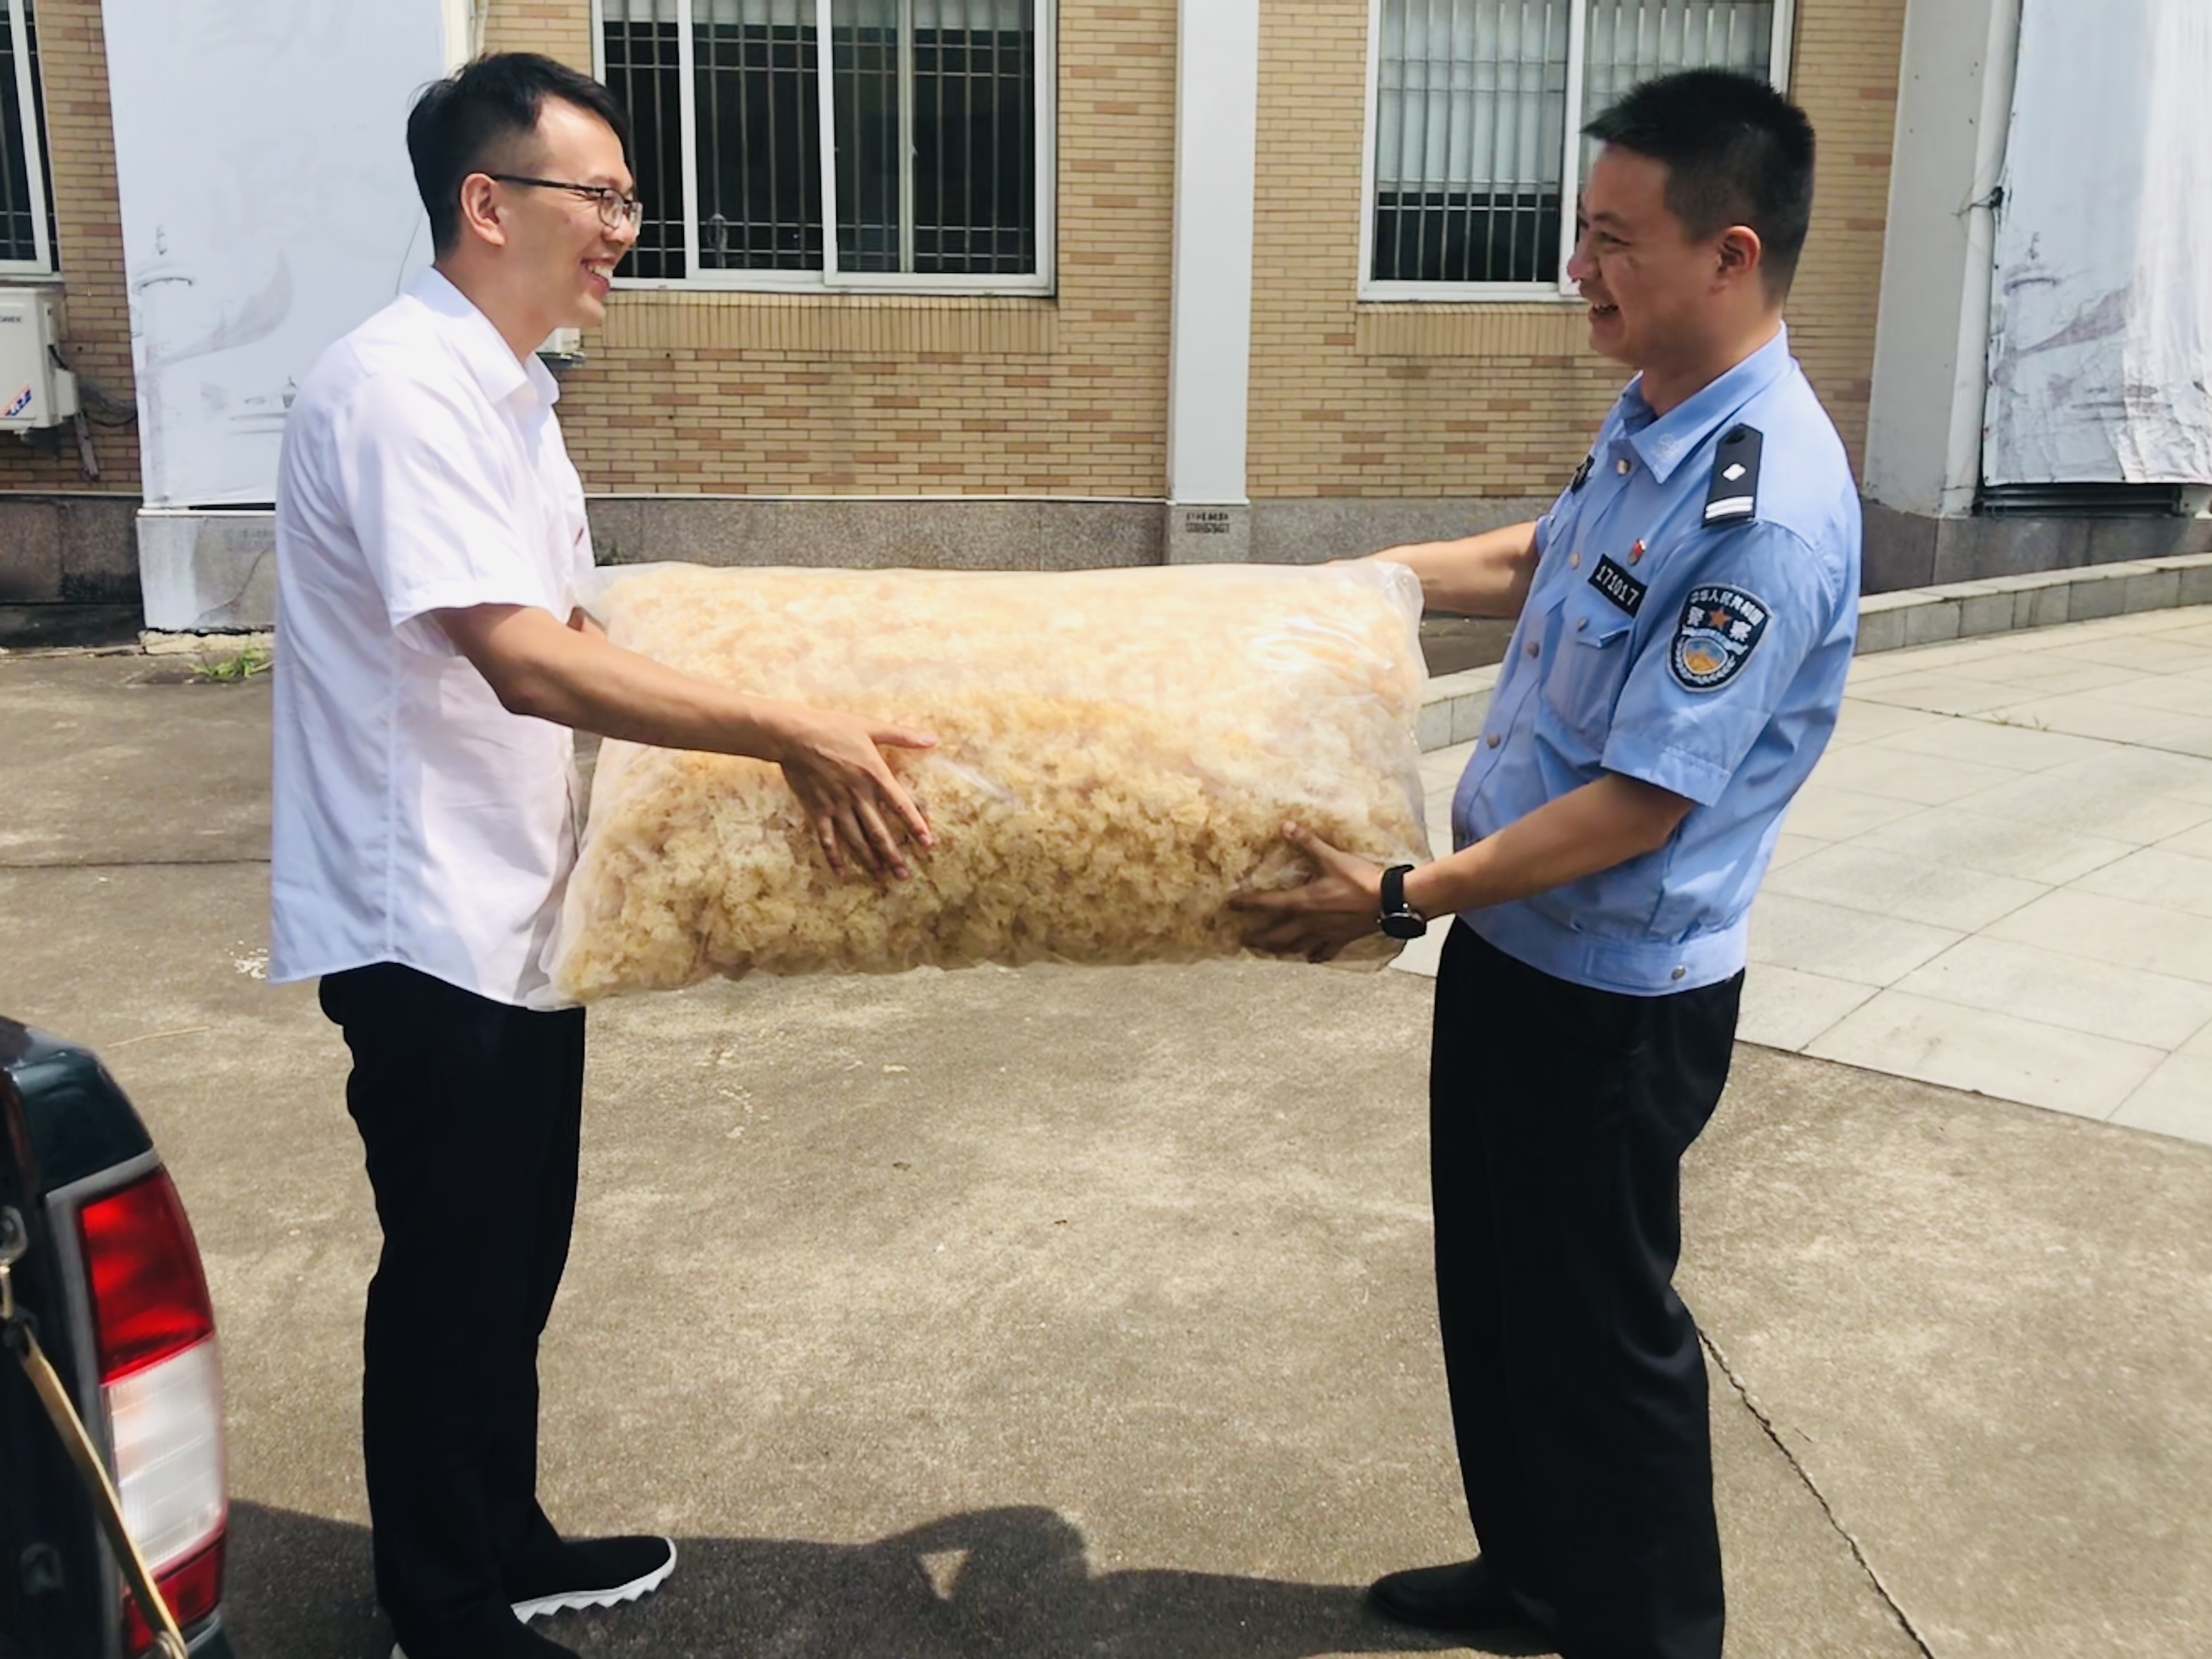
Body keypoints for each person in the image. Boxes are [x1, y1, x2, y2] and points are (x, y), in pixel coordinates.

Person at [268, 54, 936, 1659]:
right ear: (487, 203)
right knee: (453, 1271)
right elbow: (520, 658)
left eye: (633, 200)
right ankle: (443, 1605)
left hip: (517, 902)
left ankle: (503, 1538)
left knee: (513, 1257)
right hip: (422, 915)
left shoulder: (512, 394)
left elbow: (575, 623)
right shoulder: (399, 391)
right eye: (603, 197)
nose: (627, 228)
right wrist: (786, 730)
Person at [1237, 69, 1859, 1659]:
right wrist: (1344, 587)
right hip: (1516, 947)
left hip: (1613, 998)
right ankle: (1534, 1578)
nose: (1579, 269)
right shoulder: (1656, 413)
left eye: (1613, 240)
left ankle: (1646, 1634)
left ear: (1729, 253)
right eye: (1583, 231)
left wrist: (1397, 898)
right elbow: (1539, 557)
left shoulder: (1766, 507)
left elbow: (1643, 802)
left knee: (1601, 1335)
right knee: (1502, 1295)